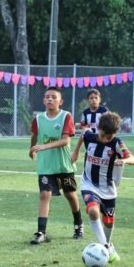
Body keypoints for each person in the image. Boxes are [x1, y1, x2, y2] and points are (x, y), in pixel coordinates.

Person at [75, 112, 134, 263]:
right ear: (98, 128)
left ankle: (108, 243)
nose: (105, 139)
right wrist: (75, 152)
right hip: (89, 183)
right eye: (103, 135)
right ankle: (106, 247)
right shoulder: (90, 136)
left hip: (108, 188)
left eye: (109, 137)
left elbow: (133, 159)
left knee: (108, 221)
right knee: (93, 211)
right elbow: (82, 135)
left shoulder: (117, 143)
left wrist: (124, 161)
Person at [28, 86, 84, 244]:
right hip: (45, 165)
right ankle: (41, 232)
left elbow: (66, 140)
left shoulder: (66, 116)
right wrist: (31, 149)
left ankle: (78, 224)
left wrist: (42, 147)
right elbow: (35, 135)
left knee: (70, 194)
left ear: (61, 101)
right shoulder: (38, 119)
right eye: (47, 97)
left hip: (63, 165)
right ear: (43, 100)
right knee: (45, 195)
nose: (50, 99)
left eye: (53, 97)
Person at [72, 88, 109, 159]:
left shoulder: (104, 111)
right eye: (91, 98)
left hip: (102, 139)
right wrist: (80, 125)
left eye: (96, 98)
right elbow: (84, 128)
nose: (94, 100)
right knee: (90, 158)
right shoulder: (85, 112)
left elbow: (108, 126)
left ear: (100, 100)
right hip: (90, 140)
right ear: (88, 100)